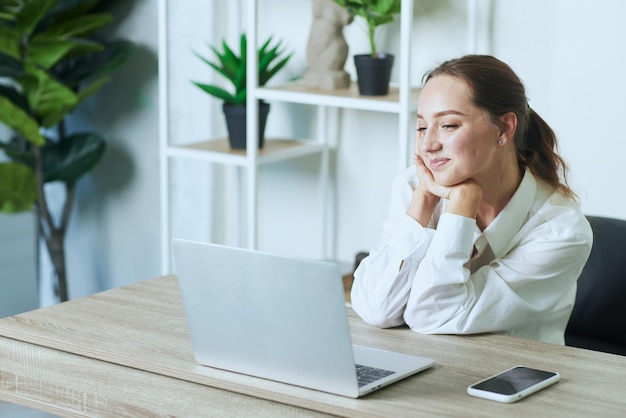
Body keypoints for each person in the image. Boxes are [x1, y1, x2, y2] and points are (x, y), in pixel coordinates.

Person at [350, 55, 593, 345]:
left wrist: (461, 206)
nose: (428, 144)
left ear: (503, 129)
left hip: (513, 378)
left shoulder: (561, 232)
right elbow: (376, 309)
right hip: (427, 368)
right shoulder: (416, 187)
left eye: (449, 125)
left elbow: (432, 315)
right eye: (422, 126)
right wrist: (423, 202)